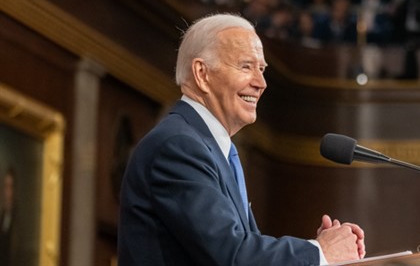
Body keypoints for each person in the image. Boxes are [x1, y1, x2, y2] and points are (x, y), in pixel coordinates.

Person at [118, 14, 366, 266]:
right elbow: (232, 254)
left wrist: (321, 254)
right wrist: (318, 252)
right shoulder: (177, 146)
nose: (261, 83)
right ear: (202, 73)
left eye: (262, 69)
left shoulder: (215, 150)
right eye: (246, 66)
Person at [0, 168, 16, 266]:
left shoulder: (17, 215)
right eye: (6, 187)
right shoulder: (3, 213)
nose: (8, 192)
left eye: (11, 187)